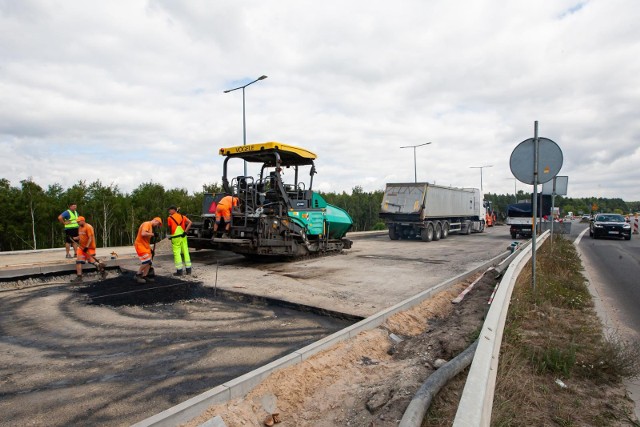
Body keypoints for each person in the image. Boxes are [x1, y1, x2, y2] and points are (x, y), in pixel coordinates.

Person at [70, 216, 106, 283]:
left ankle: (103, 272)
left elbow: (90, 238)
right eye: (77, 222)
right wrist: (74, 238)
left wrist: (86, 247)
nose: (78, 223)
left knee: (91, 261)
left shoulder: (89, 227)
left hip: (89, 248)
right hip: (81, 248)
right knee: (78, 261)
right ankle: (79, 277)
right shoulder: (80, 228)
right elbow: (81, 236)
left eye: (79, 221)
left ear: (83, 220)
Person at [134, 217, 163, 284]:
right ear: (155, 221)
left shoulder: (150, 226)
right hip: (140, 245)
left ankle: (145, 276)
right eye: (157, 224)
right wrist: (153, 234)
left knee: (149, 262)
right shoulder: (146, 224)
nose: (157, 226)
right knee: (146, 261)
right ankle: (138, 275)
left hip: (145, 246)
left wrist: (150, 249)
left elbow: (146, 240)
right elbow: (143, 234)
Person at [167, 205, 193, 276]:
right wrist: (185, 232)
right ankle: (188, 270)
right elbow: (190, 222)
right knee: (186, 251)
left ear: (174, 210)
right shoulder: (182, 216)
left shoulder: (170, 218)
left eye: (170, 210)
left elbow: (170, 227)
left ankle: (179, 271)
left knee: (177, 253)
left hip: (176, 237)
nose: (169, 212)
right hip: (183, 236)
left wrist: (171, 236)